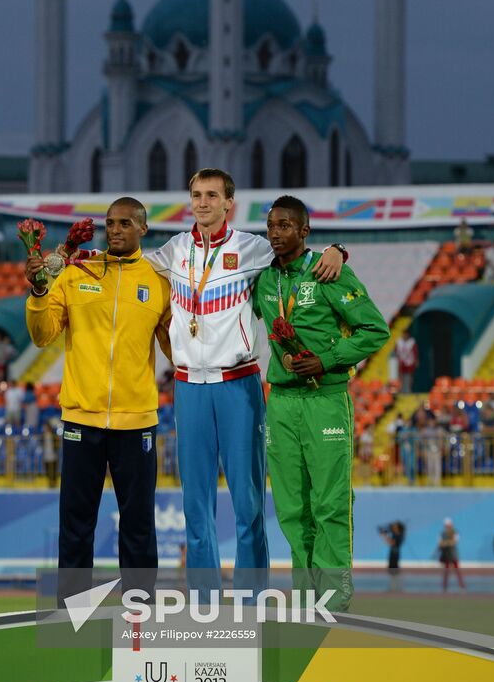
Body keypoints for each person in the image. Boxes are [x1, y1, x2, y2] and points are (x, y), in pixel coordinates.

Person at [145, 169, 345, 592]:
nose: (202, 202)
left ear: (228, 204)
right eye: (196, 194)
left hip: (239, 386)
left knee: (248, 504)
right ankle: (204, 601)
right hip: (187, 388)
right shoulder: (173, 250)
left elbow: (299, 254)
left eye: (211, 195)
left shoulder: (254, 248)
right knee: (195, 506)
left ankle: (252, 599)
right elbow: (128, 264)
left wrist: (337, 249)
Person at [25, 197, 171, 603]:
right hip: (81, 419)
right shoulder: (76, 273)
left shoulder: (159, 280)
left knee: (139, 521)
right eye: (110, 223)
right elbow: (42, 335)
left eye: (125, 223)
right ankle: (71, 610)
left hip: (137, 421)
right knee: (75, 520)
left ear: (143, 228)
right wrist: (39, 291)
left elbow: (177, 350)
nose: (116, 229)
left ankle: (139, 605)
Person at [253, 195, 390, 610]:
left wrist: (327, 360)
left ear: (305, 231)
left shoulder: (329, 272)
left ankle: (334, 597)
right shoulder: (262, 278)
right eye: (271, 225)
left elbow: (375, 330)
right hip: (281, 402)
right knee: (292, 507)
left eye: (286, 226)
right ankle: (306, 594)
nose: (276, 233)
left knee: (329, 501)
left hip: (325, 400)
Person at [438, 518, 466, 591]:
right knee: (446, 571)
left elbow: (454, 541)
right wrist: (445, 543)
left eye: (448, 525)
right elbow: (440, 543)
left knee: (456, 570)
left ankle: (462, 586)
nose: (447, 526)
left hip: (452, 553)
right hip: (446, 554)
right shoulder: (442, 533)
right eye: (446, 525)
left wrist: (446, 543)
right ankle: (444, 586)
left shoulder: (454, 532)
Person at [380, 521, 405, 592]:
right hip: (392, 555)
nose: (393, 527)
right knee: (392, 572)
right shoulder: (395, 534)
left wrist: (385, 535)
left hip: (395, 555)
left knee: (395, 571)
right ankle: (393, 587)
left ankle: (398, 587)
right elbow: (390, 542)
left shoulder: (399, 535)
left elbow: (392, 542)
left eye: (395, 526)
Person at [395, 327, 419, 395]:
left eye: (406, 334)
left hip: (409, 361)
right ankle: (400, 389)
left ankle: (409, 389)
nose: (405, 336)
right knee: (400, 376)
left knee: (410, 376)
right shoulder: (398, 341)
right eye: (404, 334)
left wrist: (416, 360)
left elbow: (415, 352)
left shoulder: (412, 341)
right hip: (401, 360)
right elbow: (396, 351)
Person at [43, 420, 58, 487]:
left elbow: (57, 444)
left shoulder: (53, 435)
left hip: (53, 454)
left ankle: (54, 482)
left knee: (53, 469)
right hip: (46, 454)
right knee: (47, 469)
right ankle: (49, 482)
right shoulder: (43, 435)